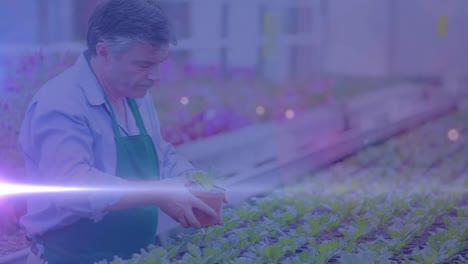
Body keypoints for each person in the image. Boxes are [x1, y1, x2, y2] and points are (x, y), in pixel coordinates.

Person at [18, 0, 222, 263]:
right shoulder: (61, 103)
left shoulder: (137, 96)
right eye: (143, 65)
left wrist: (188, 179)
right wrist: (160, 192)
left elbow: (162, 154)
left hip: (135, 256)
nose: (156, 77)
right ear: (103, 52)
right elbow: (71, 187)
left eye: (160, 63)